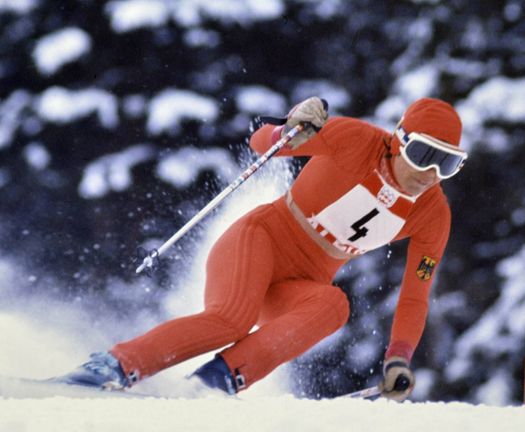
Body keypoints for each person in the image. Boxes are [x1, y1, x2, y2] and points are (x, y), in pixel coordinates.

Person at [64, 96, 467, 401]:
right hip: (260, 240)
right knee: (230, 321)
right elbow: (263, 144)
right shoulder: (356, 139)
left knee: (334, 306)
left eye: (446, 164)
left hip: (302, 281)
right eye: (424, 155)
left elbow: (416, 295)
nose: (430, 175)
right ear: (400, 141)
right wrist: (291, 127)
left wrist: (399, 356)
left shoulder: (434, 214)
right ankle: (113, 365)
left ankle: (213, 384)